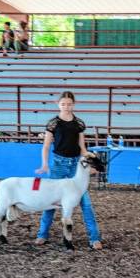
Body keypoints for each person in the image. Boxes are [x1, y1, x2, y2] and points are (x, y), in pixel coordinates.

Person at [35, 91, 102, 250]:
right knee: (51, 202)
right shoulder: (53, 124)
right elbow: (46, 146)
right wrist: (45, 164)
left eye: (69, 104)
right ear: (58, 104)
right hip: (58, 165)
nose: (66, 106)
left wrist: (93, 162)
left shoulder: (79, 123)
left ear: (74, 104)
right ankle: (42, 234)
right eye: (63, 104)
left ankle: (94, 237)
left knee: (85, 202)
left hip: (75, 167)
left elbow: (82, 149)